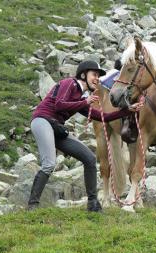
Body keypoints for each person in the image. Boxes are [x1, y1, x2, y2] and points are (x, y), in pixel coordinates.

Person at [28, 60, 143, 212]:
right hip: (42, 121)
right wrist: (85, 102)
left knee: (89, 158)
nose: (97, 78)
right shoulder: (70, 83)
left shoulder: (80, 99)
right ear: (83, 74)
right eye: (94, 74)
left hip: (56, 128)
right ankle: (32, 206)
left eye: (98, 76)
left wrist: (129, 109)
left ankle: (93, 204)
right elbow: (59, 104)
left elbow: (104, 117)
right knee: (49, 163)